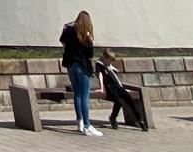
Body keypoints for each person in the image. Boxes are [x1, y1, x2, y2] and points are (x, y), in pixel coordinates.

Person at [60, 9, 101, 137]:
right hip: (82, 66)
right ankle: (88, 126)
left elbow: (62, 42)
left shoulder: (68, 30)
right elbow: (90, 54)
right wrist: (88, 40)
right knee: (84, 96)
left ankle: (80, 122)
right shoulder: (85, 34)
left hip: (70, 65)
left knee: (77, 94)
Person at [96, 49, 148, 131]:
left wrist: (114, 69)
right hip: (109, 87)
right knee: (118, 102)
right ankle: (113, 117)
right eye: (110, 60)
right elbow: (100, 75)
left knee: (130, 100)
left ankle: (139, 119)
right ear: (106, 58)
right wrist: (102, 88)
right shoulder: (99, 64)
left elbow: (111, 70)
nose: (111, 63)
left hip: (117, 85)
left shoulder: (108, 64)